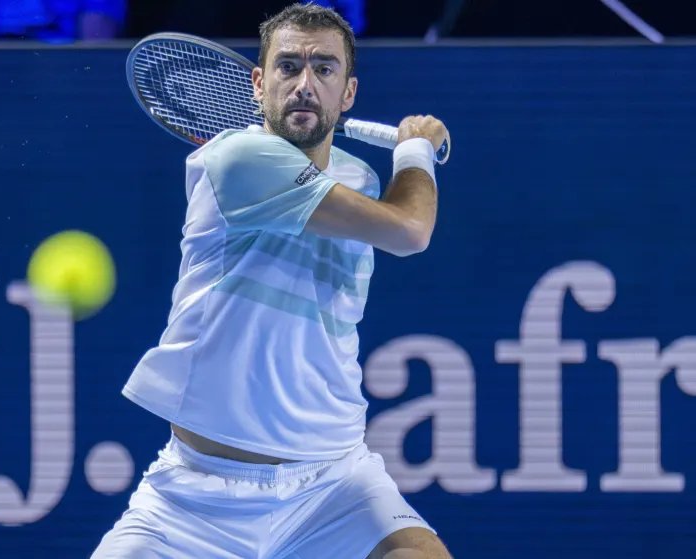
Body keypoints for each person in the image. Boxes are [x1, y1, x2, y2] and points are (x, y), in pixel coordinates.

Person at [91, 3, 452, 558]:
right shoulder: (240, 156)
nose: (305, 83)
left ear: (347, 93)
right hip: (198, 497)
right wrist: (415, 151)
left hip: (334, 482)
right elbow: (410, 230)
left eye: (324, 69)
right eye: (288, 67)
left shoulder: (358, 177)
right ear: (259, 84)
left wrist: (406, 161)